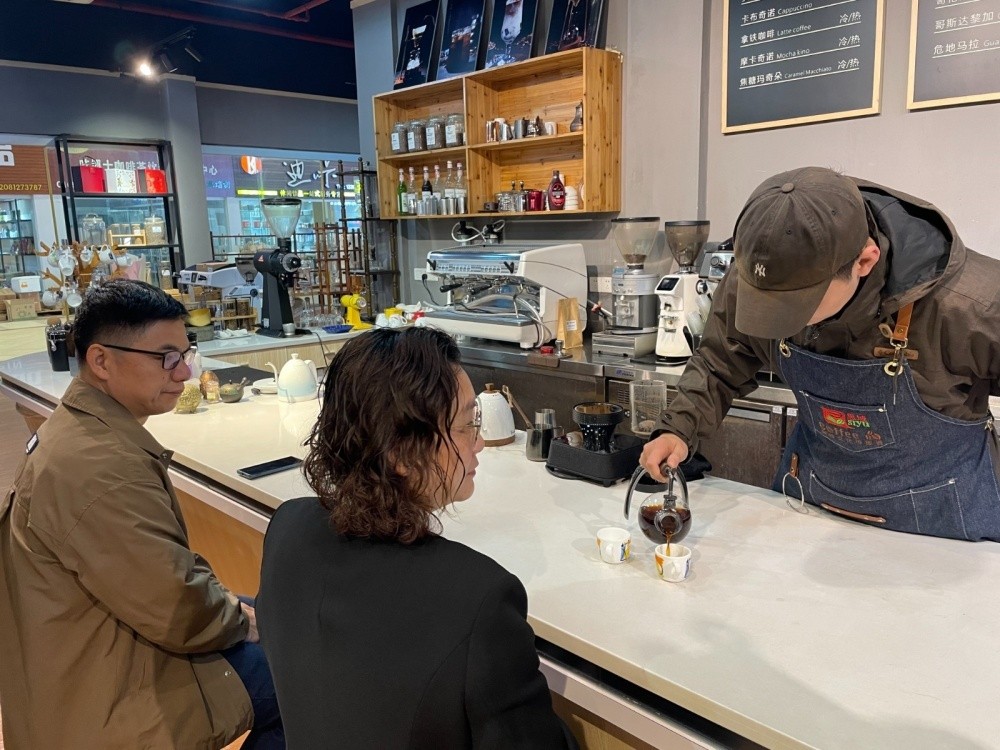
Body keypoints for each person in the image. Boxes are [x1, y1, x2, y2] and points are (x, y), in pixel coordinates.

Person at [256, 327, 577, 749]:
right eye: (466, 425)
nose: (480, 442)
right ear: (401, 453)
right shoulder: (480, 600)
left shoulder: (287, 527)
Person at [641, 166, 1000, 542]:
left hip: (943, 531)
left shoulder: (972, 306)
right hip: (809, 508)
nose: (777, 319)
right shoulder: (759, 276)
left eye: (795, 305)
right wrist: (679, 428)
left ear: (864, 261)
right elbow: (720, 361)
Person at [0, 279, 284, 748]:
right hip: (106, 700)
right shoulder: (101, 468)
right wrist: (239, 620)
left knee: (272, 615)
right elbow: (176, 607)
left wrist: (232, 610)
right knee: (311, 674)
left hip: (79, 655)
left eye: (185, 355)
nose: (184, 374)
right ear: (101, 361)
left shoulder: (80, 431)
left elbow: (160, 577)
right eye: (166, 358)